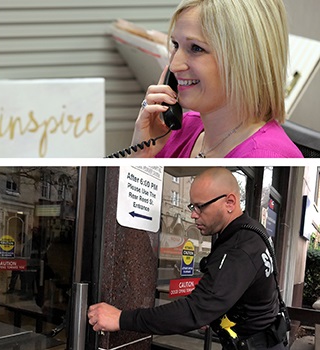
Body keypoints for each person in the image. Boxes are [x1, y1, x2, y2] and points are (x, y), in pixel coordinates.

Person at [87, 168, 288, 350]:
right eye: (193, 206)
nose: (193, 215)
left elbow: (194, 311)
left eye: (200, 207)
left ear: (230, 202)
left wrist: (121, 318)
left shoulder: (239, 248)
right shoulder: (250, 232)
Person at [128, 0, 302, 158]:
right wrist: (140, 154)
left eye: (196, 48)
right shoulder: (180, 130)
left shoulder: (266, 157)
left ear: (245, 60)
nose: (174, 66)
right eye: (175, 45)